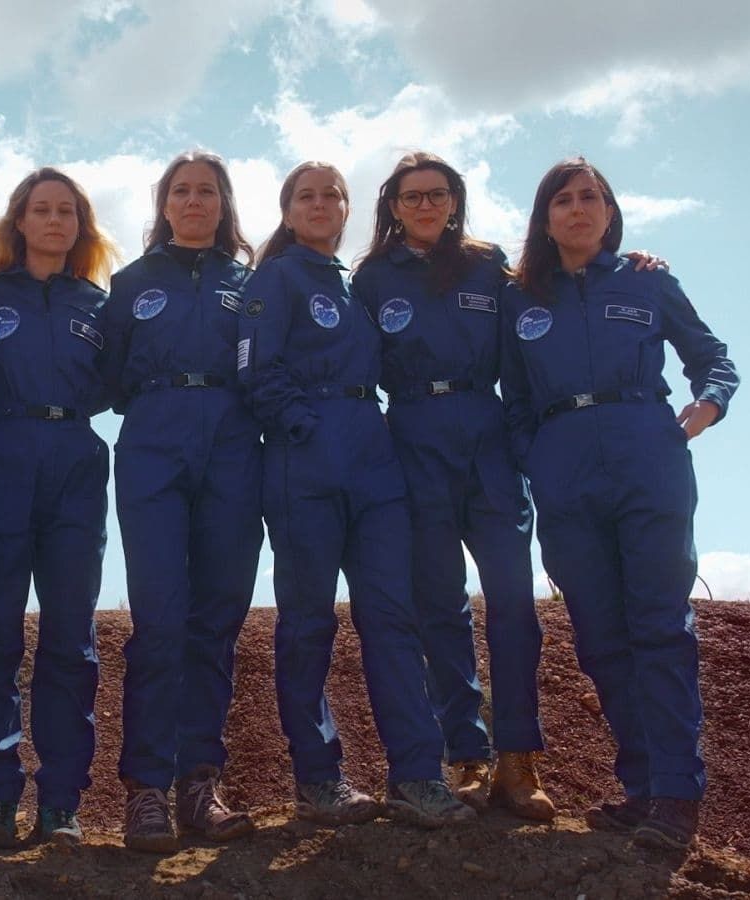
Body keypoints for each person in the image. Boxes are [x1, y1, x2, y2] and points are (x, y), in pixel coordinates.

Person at [499, 157, 737, 850]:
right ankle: (641, 788)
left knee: (660, 625)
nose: (579, 209)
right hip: (564, 466)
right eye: (565, 200)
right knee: (601, 637)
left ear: (610, 212)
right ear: (545, 218)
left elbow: (711, 355)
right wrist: (534, 458)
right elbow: (513, 397)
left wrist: (708, 405)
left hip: (646, 454)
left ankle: (677, 794)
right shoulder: (520, 298)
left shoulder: (648, 278)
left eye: (592, 198)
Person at [239, 161, 475, 831]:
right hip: (304, 462)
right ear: (287, 213)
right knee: (309, 622)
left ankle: (417, 775)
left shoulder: (356, 285)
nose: (319, 204)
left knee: (392, 618)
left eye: (332, 195)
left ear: (349, 211)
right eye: (306, 196)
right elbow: (256, 368)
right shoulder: (275, 278)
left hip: (374, 461)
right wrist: (302, 425)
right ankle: (318, 779)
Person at [352, 151, 555, 821]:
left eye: (436, 194)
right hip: (413, 434)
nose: (425, 206)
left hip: (487, 434)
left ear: (455, 201)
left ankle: (518, 760)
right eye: (411, 197)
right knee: (439, 606)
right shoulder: (374, 278)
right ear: (393, 207)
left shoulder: (489, 264)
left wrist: (639, 260)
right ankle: (466, 754)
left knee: (512, 603)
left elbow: (546, 299)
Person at [101, 150, 263, 853]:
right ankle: (146, 791)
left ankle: (200, 784)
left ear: (224, 204)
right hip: (153, 441)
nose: (194, 201)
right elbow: (100, 375)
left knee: (217, 618)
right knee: (160, 619)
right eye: (181, 191)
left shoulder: (253, 285)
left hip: (233, 441)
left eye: (206, 191)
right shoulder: (130, 283)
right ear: (164, 204)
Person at [0, 167, 120, 848]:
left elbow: (123, 381)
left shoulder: (100, 305)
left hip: (76, 461)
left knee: (69, 637)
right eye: (41, 210)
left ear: (81, 226)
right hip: (1, 459)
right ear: (18, 220)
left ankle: (60, 801)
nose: (54, 221)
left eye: (67, 212)